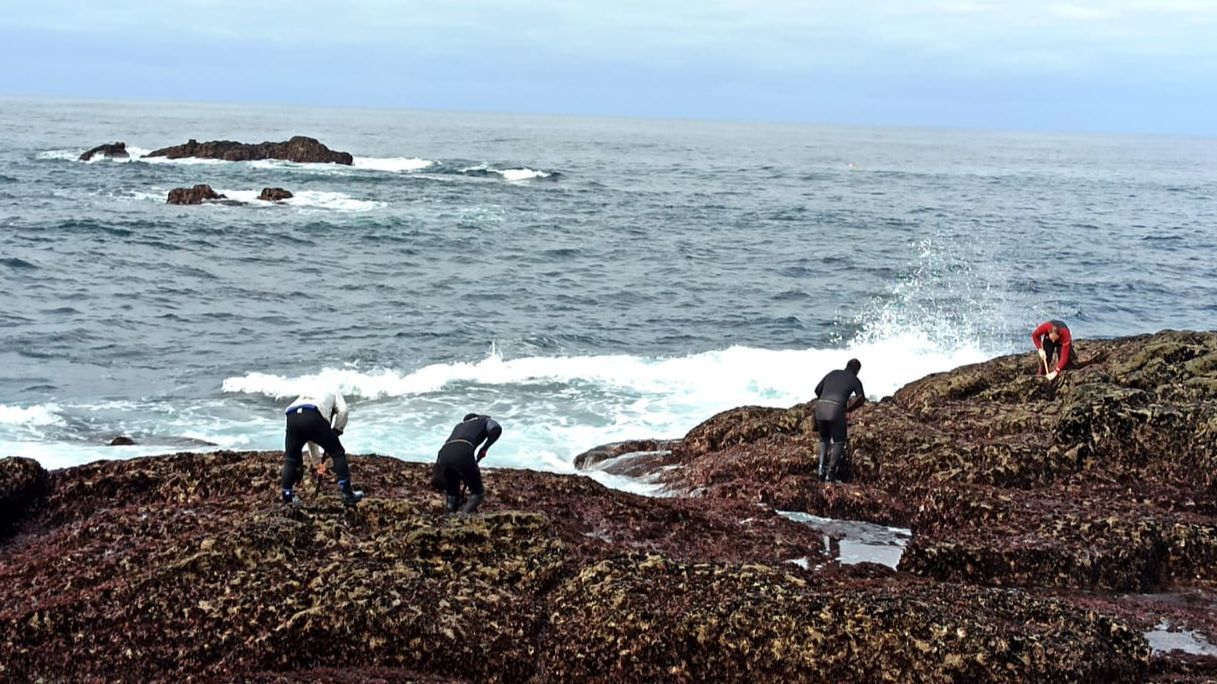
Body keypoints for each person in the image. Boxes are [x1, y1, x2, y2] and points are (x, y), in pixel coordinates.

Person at [281, 387, 363, 506]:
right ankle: (347, 494)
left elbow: (310, 436)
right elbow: (343, 411)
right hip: (313, 413)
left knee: (290, 460)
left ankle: (287, 497)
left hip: (292, 415)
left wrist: (317, 463)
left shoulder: (309, 392)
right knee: (338, 453)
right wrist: (337, 430)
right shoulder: (334, 392)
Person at [433, 413, 502, 514]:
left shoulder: (459, 426)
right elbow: (496, 429)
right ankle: (464, 517)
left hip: (444, 454)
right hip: (463, 451)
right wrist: (485, 448)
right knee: (478, 493)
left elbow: (447, 447)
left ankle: (449, 516)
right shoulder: (484, 420)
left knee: (452, 493)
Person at [813, 359, 866, 483]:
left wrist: (825, 399)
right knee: (839, 441)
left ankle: (820, 469)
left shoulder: (832, 373)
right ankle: (830, 475)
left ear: (846, 366)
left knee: (824, 438)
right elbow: (861, 398)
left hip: (820, 407)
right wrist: (849, 409)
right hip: (836, 409)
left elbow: (817, 390)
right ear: (857, 371)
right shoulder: (855, 379)